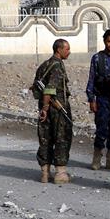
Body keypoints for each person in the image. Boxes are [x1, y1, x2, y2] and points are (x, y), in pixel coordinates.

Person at [37, 39, 73, 184]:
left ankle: (45, 173)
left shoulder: (45, 64)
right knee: (62, 138)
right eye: (67, 49)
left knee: (45, 138)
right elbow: (49, 89)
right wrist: (46, 107)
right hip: (57, 109)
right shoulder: (57, 66)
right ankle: (60, 173)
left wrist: (43, 107)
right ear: (59, 50)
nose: (69, 52)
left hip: (44, 107)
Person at [85, 29, 110, 170]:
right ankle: (97, 158)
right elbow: (91, 79)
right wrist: (91, 99)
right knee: (101, 129)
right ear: (104, 41)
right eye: (109, 41)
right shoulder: (97, 58)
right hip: (102, 99)